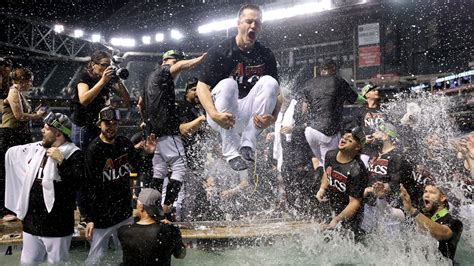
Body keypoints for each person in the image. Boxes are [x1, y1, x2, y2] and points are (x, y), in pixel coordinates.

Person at [196, 3, 283, 171]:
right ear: (238, 24)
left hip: (250, 116)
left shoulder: (265, 54)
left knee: (270, 82)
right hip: (220, 115)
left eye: (257, 23)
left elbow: (278, 94)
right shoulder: (222, 51)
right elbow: (201, 86)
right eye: (249, 21)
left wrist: (273, 117)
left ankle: (248, 145)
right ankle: (230, 153)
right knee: (229, 84)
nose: (253, 26)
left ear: (261, 28)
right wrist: (214, 114)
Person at [4, 113, 84, 264]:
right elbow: (14, 154)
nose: (42, 131)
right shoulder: (39, 149)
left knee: (57, 264)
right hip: (32, 223)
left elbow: (76, 183)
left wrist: (61, 161)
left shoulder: (74, 154)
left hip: (57, 226)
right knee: (27, 263)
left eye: (46, 128)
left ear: (58, 133)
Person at [82, 107, 156, 264]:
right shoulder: (94, 149)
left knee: (127, 257)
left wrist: (149, 154)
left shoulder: (124, 143)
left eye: (114, 123)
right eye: (107, 123)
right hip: (101, 218)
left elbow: (140, 167)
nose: (111, 127)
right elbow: (87, 186)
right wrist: (88, 218)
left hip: (123, 214)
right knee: (94, 261)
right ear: (99, 124)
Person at [141, 49, 206, 220]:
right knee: (179, 168)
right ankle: (167, 207)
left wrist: (148, 123)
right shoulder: (163, 71)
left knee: (159, 171)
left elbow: (141, 104)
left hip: (155, 133)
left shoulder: (149, 78)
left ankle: (152, 208)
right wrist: (199, 59)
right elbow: (178, 66)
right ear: (170, 61)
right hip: (168, 132)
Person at [1, 67, 46, 221]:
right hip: (10, 135)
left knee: (19, 170)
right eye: (30, 81)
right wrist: (36, 115)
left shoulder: (19, 93)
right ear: (22, 81)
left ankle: (17, 205)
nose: (31, 84)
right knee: (6, 171)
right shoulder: (13, 91)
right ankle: (4, 209)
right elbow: (19, 116)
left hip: (17, 135)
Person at [302, 59, 364, 167]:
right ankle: (327, 183)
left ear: (320, 70)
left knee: (319, 163)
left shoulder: (308, 83)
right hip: (328, 132)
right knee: (331, 165)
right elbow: (356, 99)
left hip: (310, 131)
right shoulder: (338, 81)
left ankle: (318, 182)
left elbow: (304, 109)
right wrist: (364, 99)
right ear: (334, 69)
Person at [70, 50, 130, 151]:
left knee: (97, 158)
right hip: (83, 126)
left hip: (99, 126)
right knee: (82, 158)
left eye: (108, 65)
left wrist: (118, 78)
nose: (106, 68)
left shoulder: (106, 78)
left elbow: (126, 97)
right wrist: (103, 81)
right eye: (103, 65)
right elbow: (84, 100)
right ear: (93, 65)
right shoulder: (84, 77)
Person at [316, 126, 369, 240]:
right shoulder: (330, 155)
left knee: (350, 243)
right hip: (332, 208)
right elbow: (327, 172)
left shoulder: (357, 170)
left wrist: (337, 220)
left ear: (358, 147)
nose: (344, 140)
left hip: (350, 216)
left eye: (350, 140)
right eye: (344, 137)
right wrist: (322, 188)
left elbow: (354, 202)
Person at [118, 188, 186, 266]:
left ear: (141, 207)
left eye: (136, 203)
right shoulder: (169, 231)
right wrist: (175, 230)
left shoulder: (123, 231)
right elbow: (181, 255)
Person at [400, 184, 463, 262]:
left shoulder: (455, 222)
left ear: (442, 197)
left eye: (432, 192)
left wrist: (412, 210)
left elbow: (442, 232)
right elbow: (393, 214)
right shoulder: (422, 217)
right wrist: (381, 199)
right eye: (425, 191)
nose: (426, 195)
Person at [176, 77, 209, 220]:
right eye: (193, 89)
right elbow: (183, 130)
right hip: (184, 160)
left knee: (196, 197)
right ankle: (183, 227)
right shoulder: (182, 106)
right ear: (186, 93)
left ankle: (193, 225)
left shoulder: (203, 107)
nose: (197, 93)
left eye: (199, 89)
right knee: (185, 197)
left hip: (199, 160)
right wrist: (201, 120)